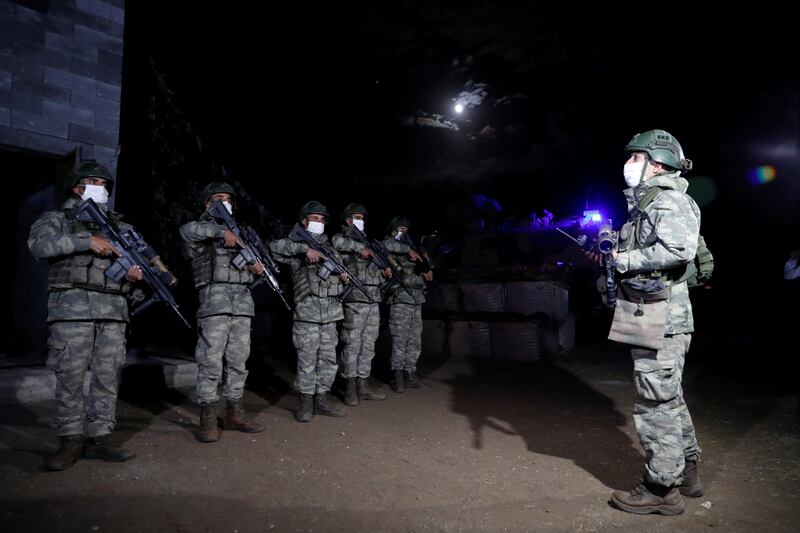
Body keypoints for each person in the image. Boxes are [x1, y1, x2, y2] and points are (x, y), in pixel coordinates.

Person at [607, 130, 704, 515]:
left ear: (657, 163)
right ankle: (688, 470)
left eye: (635, 157)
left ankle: (662, 489)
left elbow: (678, 249)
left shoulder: (669, 199)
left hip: (662, 315)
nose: (628, 164)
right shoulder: (647, 204)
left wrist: (624, 260)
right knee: (668, 397)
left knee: (654, 403)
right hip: (651, 310)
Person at [28, 160, 139, 471]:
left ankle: (100, 438)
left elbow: (137, 270)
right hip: (72, 309)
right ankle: (70, 440)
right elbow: (38, 246)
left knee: (106, 378)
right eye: (92, 181)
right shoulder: (56, 219)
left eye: (104, 183)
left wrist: (134, 275)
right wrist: (86, 241)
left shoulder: (120, 227)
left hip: (113, 312)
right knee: (71, 377)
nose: (99, 187)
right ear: (77, 187)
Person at [180, 182, 265, 443]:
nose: (224, 202)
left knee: (239, 361)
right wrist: (220, 231)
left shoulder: (243, 233)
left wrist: (258, 267)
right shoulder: (200, 229)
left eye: (227, 199)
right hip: (214, 301)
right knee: (210, 360)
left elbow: (257, 258)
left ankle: (234, 411)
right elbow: (187, 231)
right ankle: (207, 416)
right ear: (207, 204)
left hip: (242, 302)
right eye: (218, 198)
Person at [269, 201, 349, 422]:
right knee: (307, 358)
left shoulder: (330, 247)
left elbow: (340, 268)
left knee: (328, 359)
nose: (319, 223)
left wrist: (343, 275)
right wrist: (305, 249)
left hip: (331, 312)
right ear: (303, 221)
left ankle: (321, 399)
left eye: (322, 220)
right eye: (314, 219)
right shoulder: (296, 243)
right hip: (307, 313)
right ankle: (305, 403)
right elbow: (274, 248)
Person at [331, 203, 390, 406]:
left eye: (362, 218)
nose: (360, 221)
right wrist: (360, 249)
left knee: (368, 344)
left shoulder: (368, 242)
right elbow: (337, 243)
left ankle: (363, 385)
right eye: (356, 217)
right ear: (348, 220)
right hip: (355, 299)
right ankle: (349, 387)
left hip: (373, 298)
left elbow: (375, 271)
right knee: (352, 343)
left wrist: (385, 273)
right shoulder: (343, 239)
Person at [382, 217, 433, 392]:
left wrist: (427, 271)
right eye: (399, 229)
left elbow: (426, 266)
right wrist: (408, 250)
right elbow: (387, 246)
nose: (403, 233)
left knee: (414, 339)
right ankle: (397, 375)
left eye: (405, 230)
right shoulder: (391, 245)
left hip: (417, 298)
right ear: (392, 231)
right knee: (400, 338)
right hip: (401, 297)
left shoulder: (416, 248)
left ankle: (410, 372)